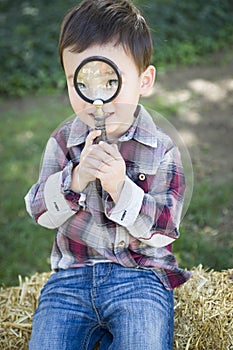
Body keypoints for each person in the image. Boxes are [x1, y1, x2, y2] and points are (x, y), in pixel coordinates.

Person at [25, 0, 191, 349]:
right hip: (70, 278)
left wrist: (121, 187)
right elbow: (39, 213)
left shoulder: (162, 149)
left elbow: (165, 230)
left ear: (144, 80)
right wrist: (75, 178)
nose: (96, 100)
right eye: (81, 81)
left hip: (141, 277)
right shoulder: (62, 143)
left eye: (110, 80)